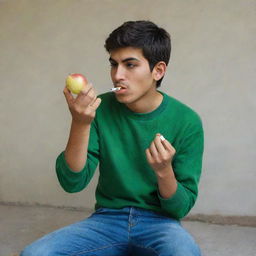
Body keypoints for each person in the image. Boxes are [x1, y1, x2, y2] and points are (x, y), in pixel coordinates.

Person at [21, 20, 204, 256]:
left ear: (158, 70)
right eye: (113, 64)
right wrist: (80, 123)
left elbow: (179, 208)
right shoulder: (100, 108)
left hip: (161, 224)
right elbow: (72, 183)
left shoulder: (187, 121)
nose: (117, 75)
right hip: (107, 220)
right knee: (35, 254)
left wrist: (163, 171)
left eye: (130, 65)